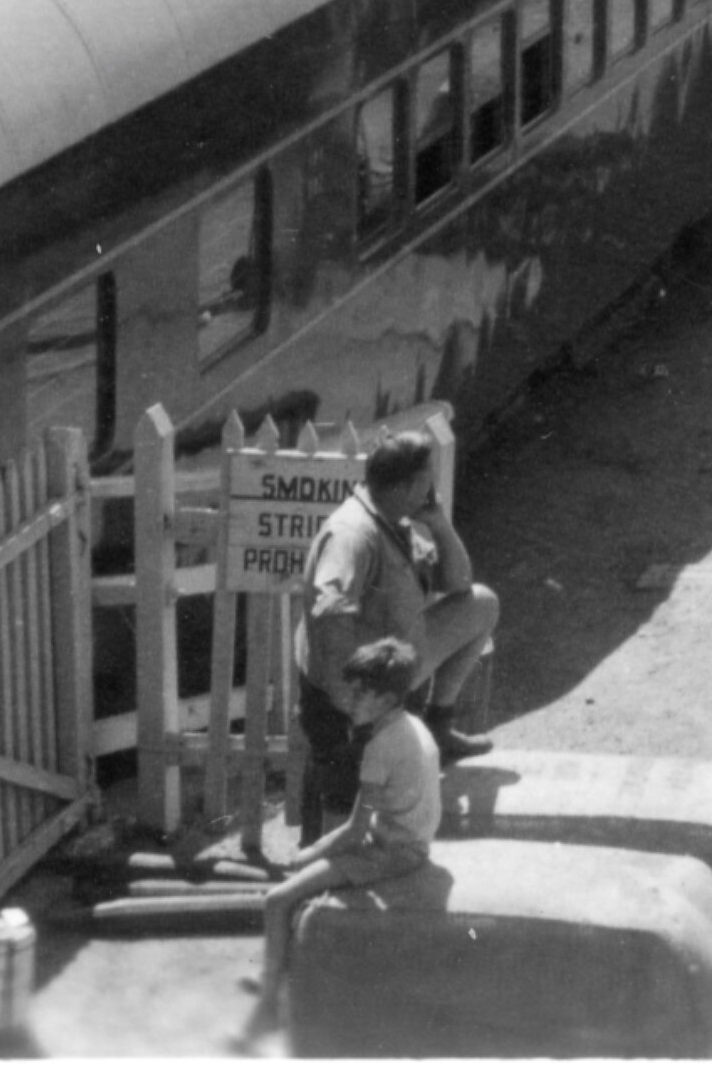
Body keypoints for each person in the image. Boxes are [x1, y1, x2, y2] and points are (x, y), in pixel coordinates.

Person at [296, 430, 500, 845]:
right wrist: (351, 703)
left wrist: (437, 522)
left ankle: (439, 724)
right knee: (343, 814)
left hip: (396, 659)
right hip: (351, 693)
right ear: (408, 485)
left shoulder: (393, 520)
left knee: (481, 604)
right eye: (427, 479)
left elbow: (459, 584)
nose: (431, 487)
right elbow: (329, 611)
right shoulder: (353, 533)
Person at [241, 637, 439, 1047]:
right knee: (300, 888)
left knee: (277, 899)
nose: (351, 698)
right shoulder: (413, 726)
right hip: (410, 839)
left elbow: (353, 831)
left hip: (393, 851)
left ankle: (268, 1009)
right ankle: (276, 975)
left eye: (362, 692)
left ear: (386, 699)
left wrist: (305, 855)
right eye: (352, 688)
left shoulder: (381, 747)